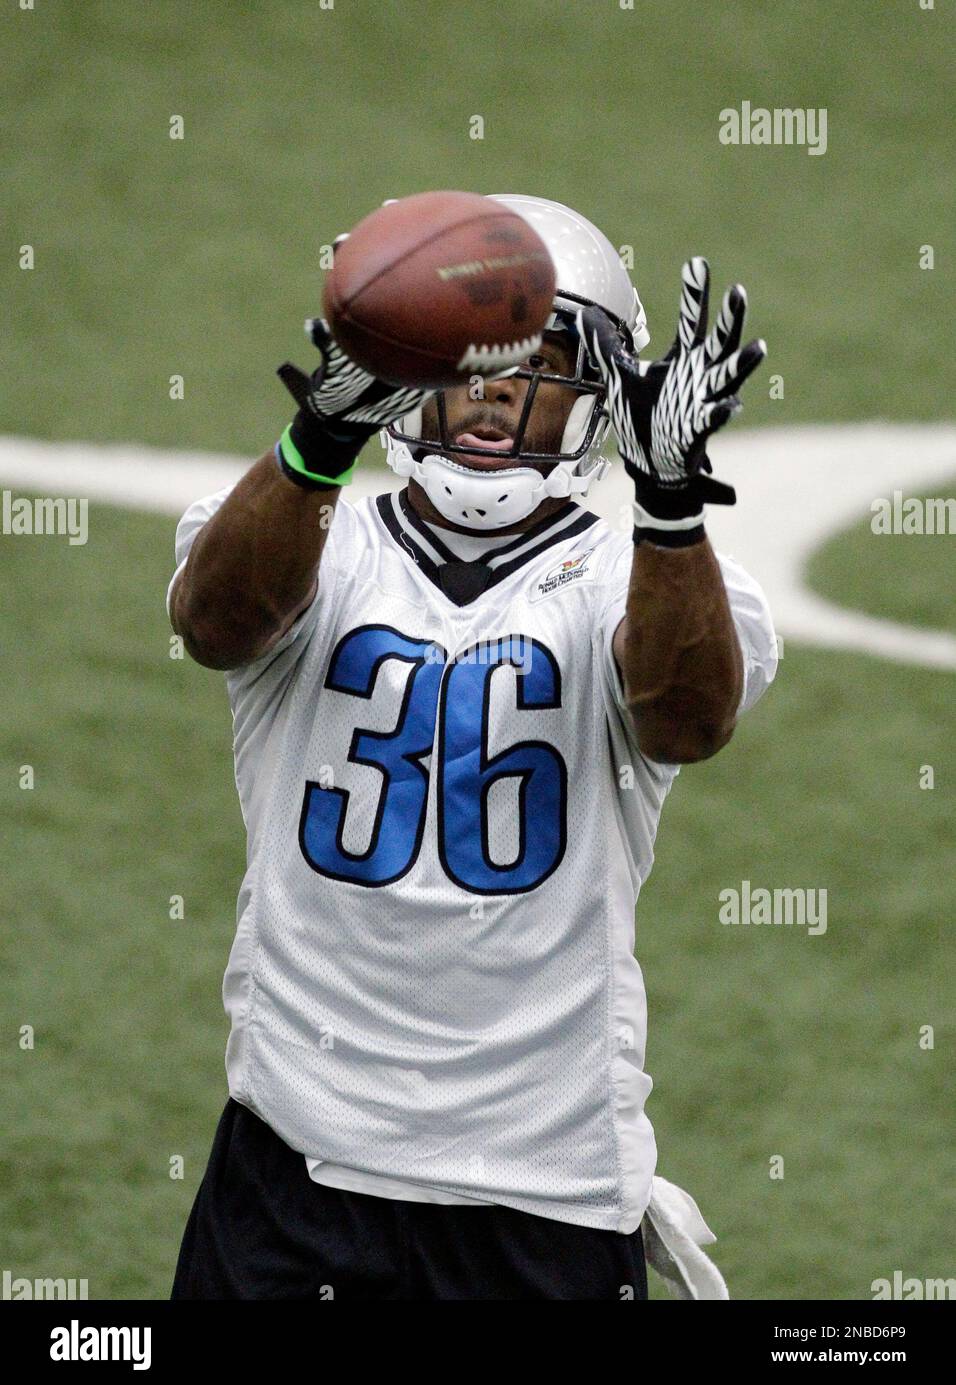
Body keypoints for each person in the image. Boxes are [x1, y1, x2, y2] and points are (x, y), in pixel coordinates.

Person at [167, 194, 776, 1300]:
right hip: (297, 1157)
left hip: (541, 1184)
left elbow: (686, 717)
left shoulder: (643, 577)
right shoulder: (310, 536)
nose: (492, 389)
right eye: (460, 354)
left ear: (600, 394)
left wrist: (671, 504)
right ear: (398, 361)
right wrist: (317, 440)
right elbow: (213, 624)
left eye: (534, 362)